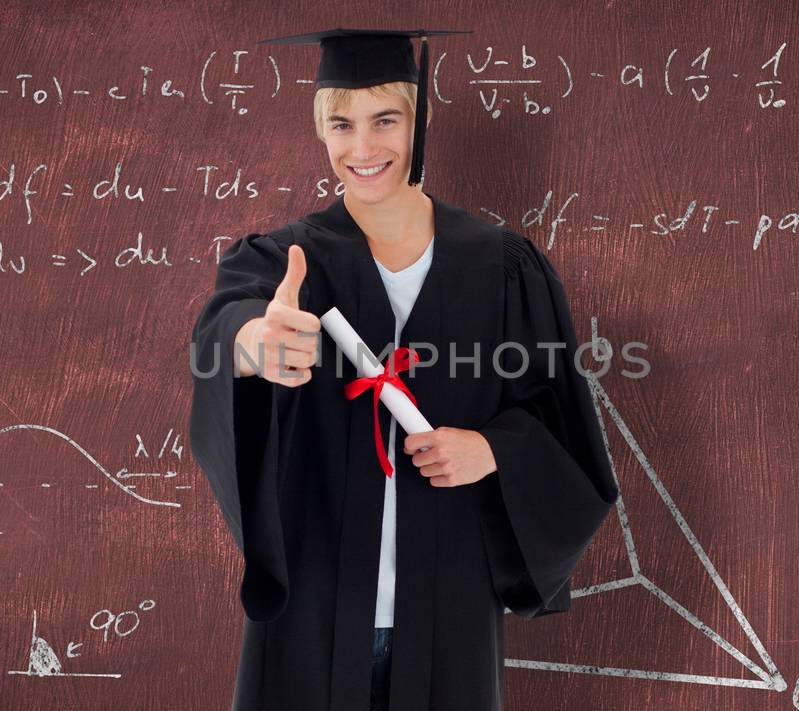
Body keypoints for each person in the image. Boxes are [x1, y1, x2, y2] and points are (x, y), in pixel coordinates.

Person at [188, 28, 617, 711]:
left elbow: (563, 425)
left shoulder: (501, 265)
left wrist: (493, 449)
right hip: (316, 610)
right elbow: (225, 328)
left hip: (448, 616)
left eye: (385, 120)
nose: (363, 148)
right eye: (342, 124)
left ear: (418, 122)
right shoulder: (284, 261)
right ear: (321, 130)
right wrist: (252, 344)